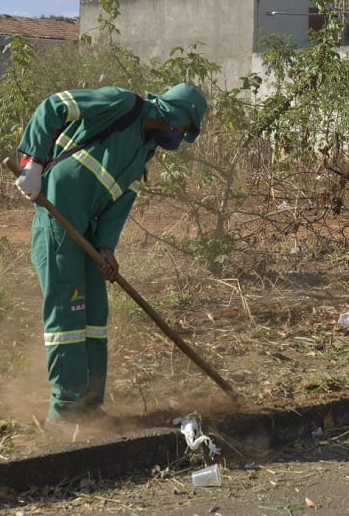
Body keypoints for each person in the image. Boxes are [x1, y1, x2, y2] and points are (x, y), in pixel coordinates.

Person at [15, 83, 208, 432]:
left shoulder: (143, 152)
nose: (178, 137)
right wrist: (33, 162)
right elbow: (54, 102)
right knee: (68, 316)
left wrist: (106, 247)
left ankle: (89, 408)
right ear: (175, 113)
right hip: (59, 222)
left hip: (87, 235)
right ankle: (64, 413)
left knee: (94, 318)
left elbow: (120, 203)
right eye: (182, 129)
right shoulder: (121, 105)